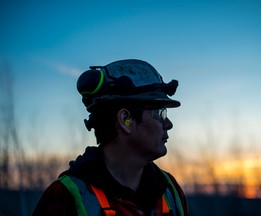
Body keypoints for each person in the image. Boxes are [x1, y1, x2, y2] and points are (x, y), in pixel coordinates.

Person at [33, 59, 190, 216]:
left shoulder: (169, 189)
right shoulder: (65, 197)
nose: (168, 124)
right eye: (160, 113)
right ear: (125, 120)